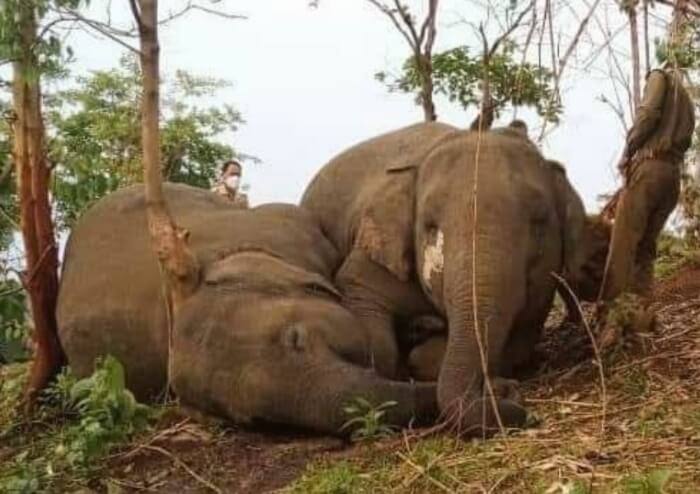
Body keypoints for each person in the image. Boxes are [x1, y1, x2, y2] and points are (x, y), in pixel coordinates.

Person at [599, 63, 695, 301]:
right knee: (645, 249)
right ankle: (642, 311)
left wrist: (628, 150)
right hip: (672, 177)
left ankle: (611, 317)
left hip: (650, 169)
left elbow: (648, 114)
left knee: (623, 244)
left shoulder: (658, 76)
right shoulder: (686, 99)